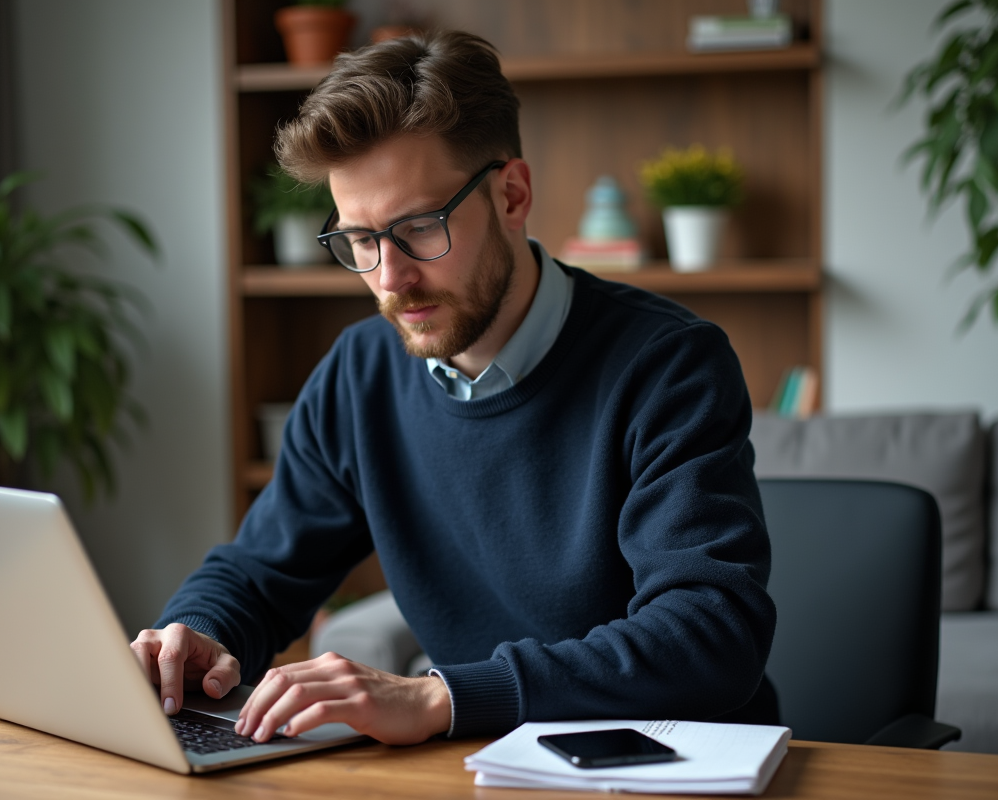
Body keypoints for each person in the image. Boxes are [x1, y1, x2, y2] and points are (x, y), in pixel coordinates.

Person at [131, 29, 776, 747]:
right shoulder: (360, 371)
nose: (389, 278)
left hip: (673, 766)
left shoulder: (669, 366)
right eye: (361, 240)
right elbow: (261, 570)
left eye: (419, 228)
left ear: (512, 195)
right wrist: (197, 632)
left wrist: (444, 696)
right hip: (479, 766)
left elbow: (711, 637)